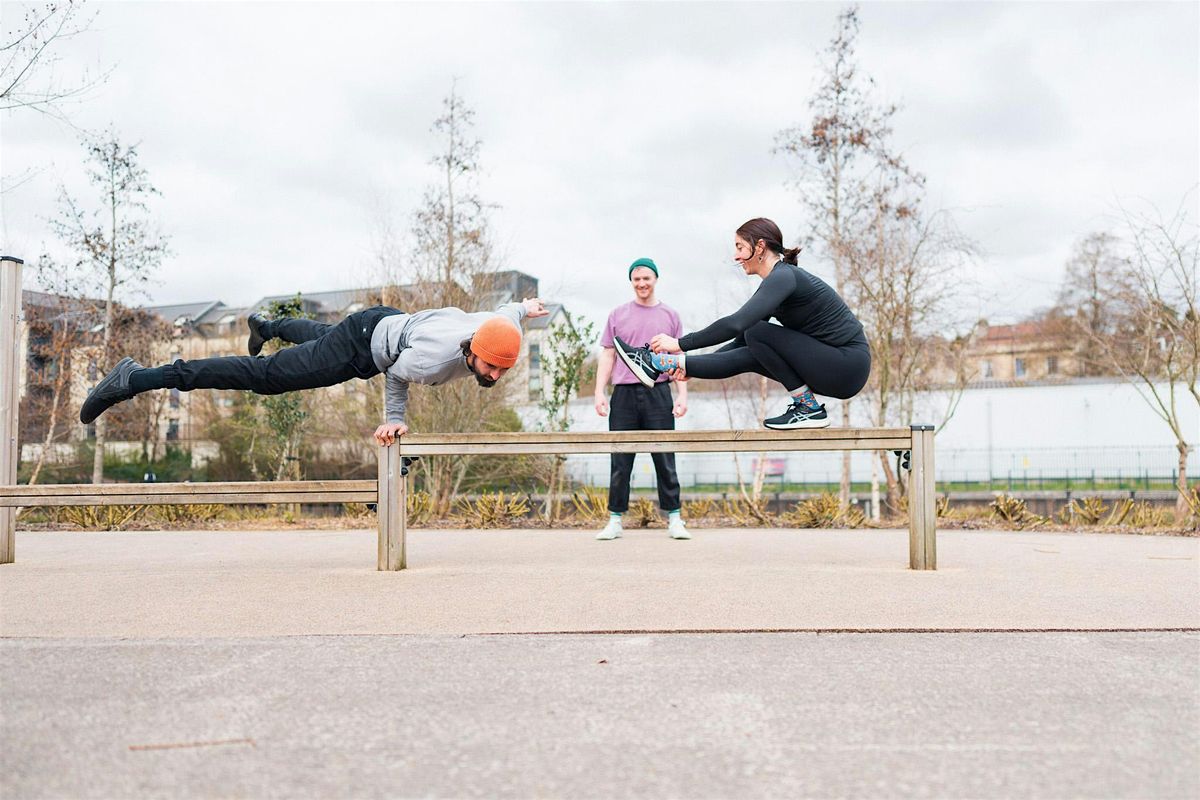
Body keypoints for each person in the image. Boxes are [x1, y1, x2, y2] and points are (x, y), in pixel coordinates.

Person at [80, 298, 549, 445]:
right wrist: (393, 419)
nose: (494, 375)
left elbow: (508, 311)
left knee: (320, 337)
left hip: (379, 321)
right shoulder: (434, 361)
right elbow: (397, 378)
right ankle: (136, 378)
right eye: (489, 367)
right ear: (473, 349)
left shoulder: (498, 328)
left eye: (502, 371)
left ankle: (265, 325)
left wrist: (525, 307)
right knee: (263, 377)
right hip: (365, 348)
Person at [613, 218, 870, 430]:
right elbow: (742, 340)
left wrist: (679, 344)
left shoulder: (785, 278)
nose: (736, 256)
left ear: (759, 247)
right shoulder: (776, 283)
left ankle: (656, 362)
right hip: (837, 370)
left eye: (739, 247)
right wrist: (694, 366)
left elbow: (737, 324)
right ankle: (808, 408)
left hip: (847, 364)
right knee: (753, 349)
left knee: (756, 331)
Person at [594, 258, 689, 541]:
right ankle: (614, 520)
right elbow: (608, 354)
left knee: (665, 458)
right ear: (631, 282)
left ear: (655, 279)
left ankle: (674, 518)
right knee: (620, 460)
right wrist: (600, 392)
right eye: (636, 279)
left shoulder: (670, 315)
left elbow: (678, 359)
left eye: (646, 278)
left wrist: (682, 395)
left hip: (658, 393)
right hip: (622, 393)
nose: (642, 283)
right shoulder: (617, 315)